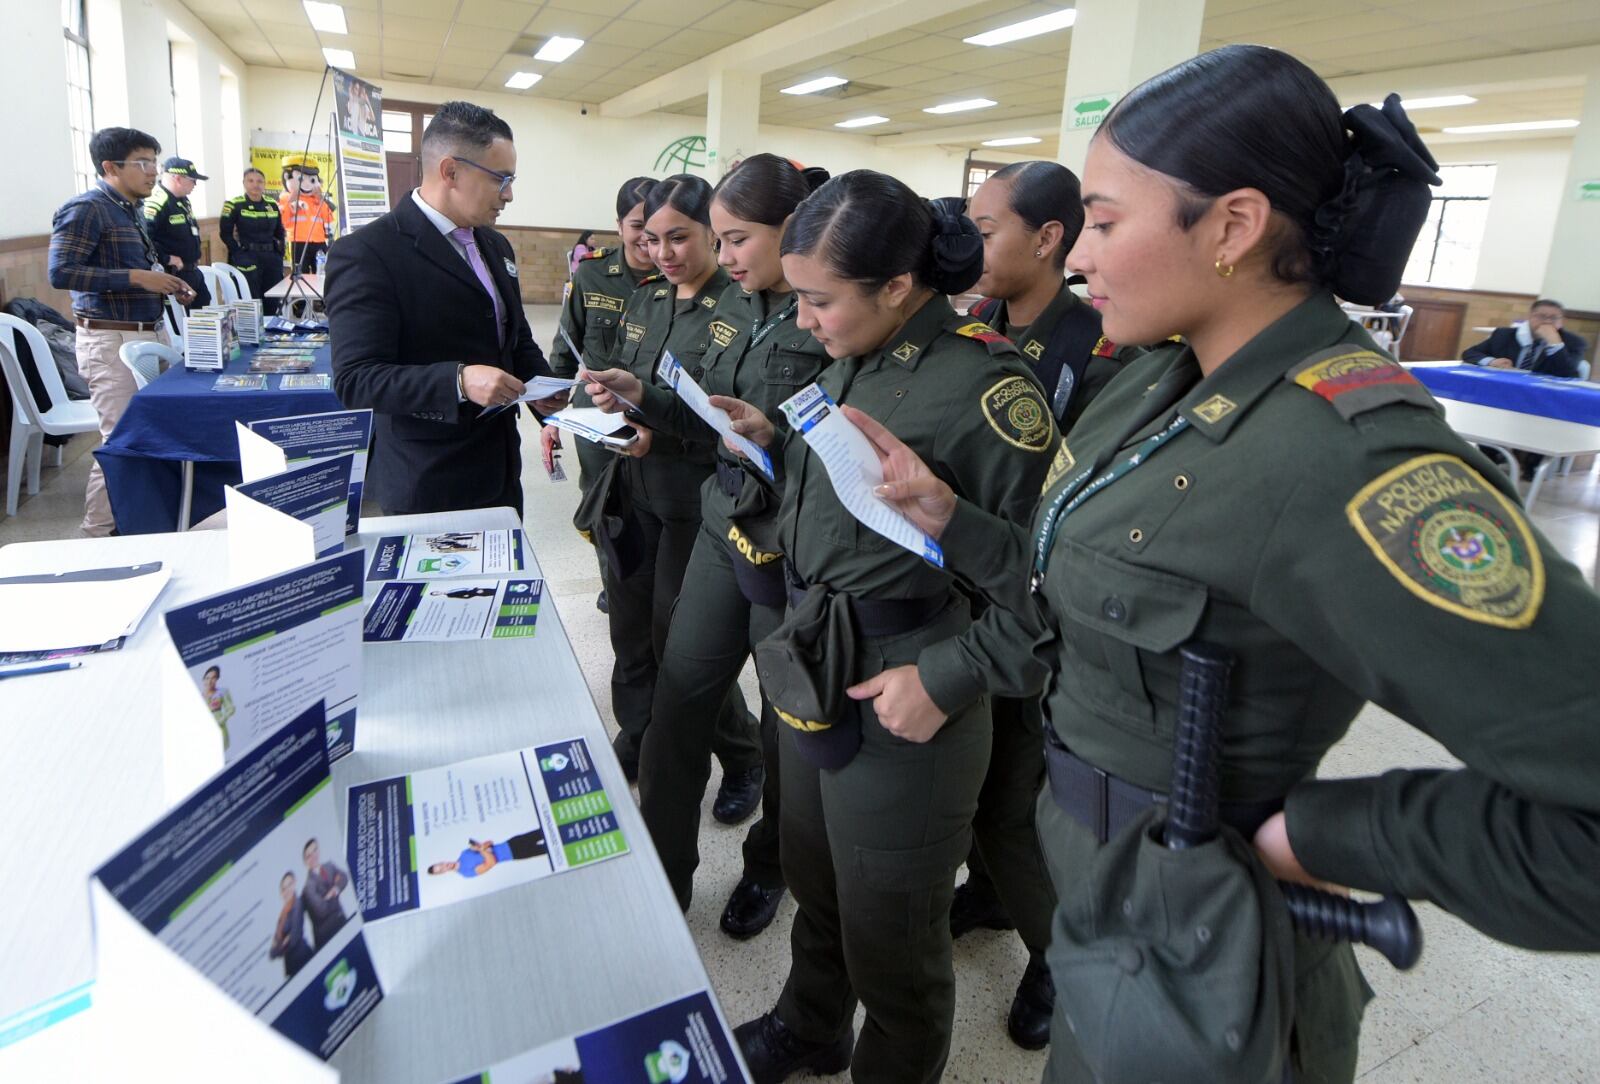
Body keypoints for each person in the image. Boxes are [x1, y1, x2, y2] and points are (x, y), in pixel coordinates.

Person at [861, 44, 1600, 1084]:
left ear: (1233, 226)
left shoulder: (1351, 456)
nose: (1078, 258)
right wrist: (954, 518)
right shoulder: (1156, 379)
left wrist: (1330, 831)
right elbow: (1083, 584)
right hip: (1104, 894)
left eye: (1107, 224)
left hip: (1209, 945)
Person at [717, 172, 1055, 1083]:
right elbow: (850, 490)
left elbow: (1050, 590)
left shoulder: (989, 393)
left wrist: (946, 679)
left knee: (895, 945)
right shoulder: (853, 355)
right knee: (819, 887)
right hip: (814, 664)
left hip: (909, 692)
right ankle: (812, 1024)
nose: (803, 321)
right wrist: (771, 442)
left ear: (898, 287)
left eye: (820, 300)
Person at [583, 155, 832, 939]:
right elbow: (711, 416)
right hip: (725, 523)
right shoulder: (746, 306)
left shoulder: (831, 311)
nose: (725, 259)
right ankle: (661, 881)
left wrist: (777, 441)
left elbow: (855, 449)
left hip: (791, 542)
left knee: (788, 728)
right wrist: (644, 395)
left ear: (792, 229)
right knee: (680, 703)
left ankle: (769, 869)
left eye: (736, 239)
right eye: (718, 241)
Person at [947, 157, 1148, 1049]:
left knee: (1014, 797)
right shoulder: (973, 324)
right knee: (984, 783)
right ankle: (990, 895)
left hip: (1036, 610)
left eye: (985, 229)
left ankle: (1054, 951)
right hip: (967, 589)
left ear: (1049, 238)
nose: (969, 243)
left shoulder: (1100, 348)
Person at [578, 174, 760, 794]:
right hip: (632, 487)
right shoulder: (648, 300)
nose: (663, 253)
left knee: (679, 643)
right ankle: (638, 736)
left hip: (693, 502)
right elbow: (631, 382)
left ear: (712, 232)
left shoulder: (740, 311)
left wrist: (661, 425)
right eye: (652, 239)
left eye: (678, 237)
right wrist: (609, 405)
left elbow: (734, 422)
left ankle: (743, 756)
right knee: (629, 631)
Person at [326, 100, 564, 516]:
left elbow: (514, 335)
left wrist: (543, 387)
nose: (509, 194)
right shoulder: (368, 253)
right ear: (450, 171)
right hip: (427, 478)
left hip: (500, 470)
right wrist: (458, 380)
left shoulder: (494, 244)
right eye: (501, 180)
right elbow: (356, 378)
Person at [47, 126, 193, 537]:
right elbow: (61, 273)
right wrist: (136, 277)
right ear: (110, 167)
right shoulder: (87, 208)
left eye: (154, 162)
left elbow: (139, 270)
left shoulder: (130, 210)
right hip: (111, 340)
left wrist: (167, 283)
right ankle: (95, 538)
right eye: (142, 163)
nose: (152, 172)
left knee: (150, 435)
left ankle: (137, 526)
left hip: (147, 332)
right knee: (122, 441)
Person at [546, 176, 660, 615]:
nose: (648, 239)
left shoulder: (675, 277)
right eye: (637, 225)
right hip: (594, 418)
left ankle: (650, 586)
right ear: (618, 225)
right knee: (602, 502)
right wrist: (550, 419)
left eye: (656, 226)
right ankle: (614, 583)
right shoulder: (592, 271)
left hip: (653, 413)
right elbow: (564, 344)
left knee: (651, 502)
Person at [142, 157, 211, 309]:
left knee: (205, 312)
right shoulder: (157, 201)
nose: (195, 184)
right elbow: (144, 238)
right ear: (178, 178)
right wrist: (166, 258)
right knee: (182, 321)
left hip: (192, 271)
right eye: (193, 180)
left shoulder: (183, 201)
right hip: (174, 275)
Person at [1462, 298, 1588, 377]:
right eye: (1541, 316)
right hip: (1503, 388)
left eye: (1554, 318)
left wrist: (1555, 344)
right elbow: (1470, 353)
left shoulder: (1574, 342)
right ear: (1530, 317)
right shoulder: (1504, 335)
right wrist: (1491, 361)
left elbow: (1568, 373)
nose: (1547, 322)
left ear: (1561, 321)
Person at [220, 168, 286, 304]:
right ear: (244, 183)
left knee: (273, 300)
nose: (255, 185)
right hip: (247, 257)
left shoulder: (272, 205)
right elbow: (225, 233)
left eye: (259, 181)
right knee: (251, 300)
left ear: (264, 184)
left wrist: (280, 253)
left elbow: (280, 231)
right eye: (251, 181)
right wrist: (238, 254)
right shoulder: (234, 205)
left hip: (271, 258)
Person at [279, 155, 337, 273]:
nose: (307, 184)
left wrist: (320, 199)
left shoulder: (317, 199)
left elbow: (329, 219)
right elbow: (282, 222)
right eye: (301, 179)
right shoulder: (285, 198)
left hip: (319, 242)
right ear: (286, 177)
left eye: (312, 180)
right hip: (298, 243)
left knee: (322, 273)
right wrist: (291, 200)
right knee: (300, 275)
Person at [426, 831, 549, 877]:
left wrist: (483, 848)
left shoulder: (463, 854)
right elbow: (492, 862)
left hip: (512, 842)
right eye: (441, 869)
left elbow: (489, 843)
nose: (444, 866)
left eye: (440, 864)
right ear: (443, 873)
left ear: (442, 861)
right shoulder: (466, 872)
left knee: (543, 831)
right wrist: (483, 850)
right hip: (515, 853)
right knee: (548, 847)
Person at [300, 838, 349, 950]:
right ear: (305, 862)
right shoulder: (308, 887)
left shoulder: (329, 866)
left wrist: (335, 889)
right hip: (327, 937)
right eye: (308, 856)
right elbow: (322, 910)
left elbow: (344, 877)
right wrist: (336, 886)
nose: (313, 856)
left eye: (315, 850)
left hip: (342, 921)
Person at [268, 871, 313, 978]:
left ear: (294, 884)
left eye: (289, 885)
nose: (287, 890)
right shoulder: (282, 916)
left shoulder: (297, 904)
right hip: (291, 966)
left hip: (303, 958)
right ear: (281, 892)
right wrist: (280, 945)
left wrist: (278, 948)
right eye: (283, 888)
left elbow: (293, 938)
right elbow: (271, 953)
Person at [201, 664, 234, 750]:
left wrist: (221, 720)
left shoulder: (222, 692)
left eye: (213, 678)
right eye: (207, 678)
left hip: (219, 726)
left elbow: (231, 709)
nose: (210, 681)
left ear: (217, 679)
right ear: (203, 679)